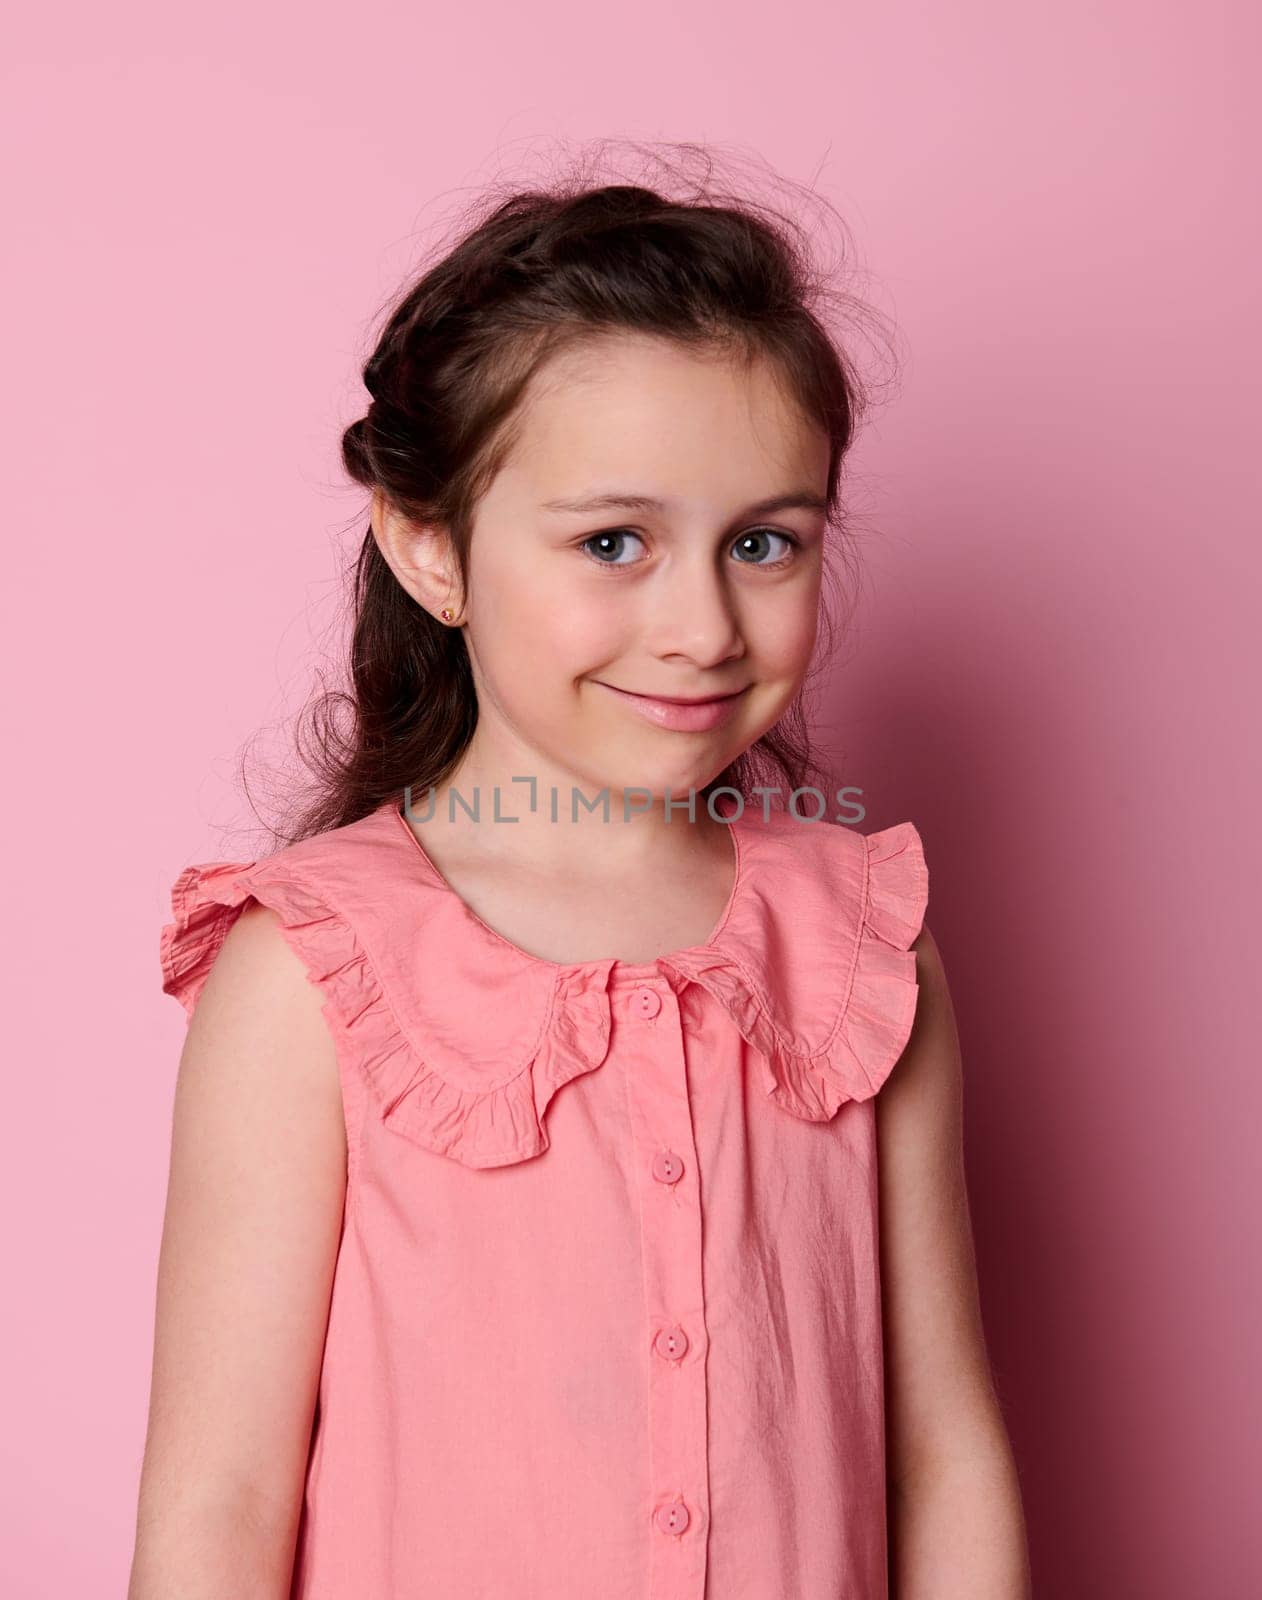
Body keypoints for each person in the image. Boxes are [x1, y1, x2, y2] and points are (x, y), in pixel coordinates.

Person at [129, 160, 1030, 1600]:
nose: (699, 626)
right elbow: (219, 1505)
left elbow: (947, 1453)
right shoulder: (307, 967)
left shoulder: (867, 949)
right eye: (612, 541)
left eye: (763, 543)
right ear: (430, 548)